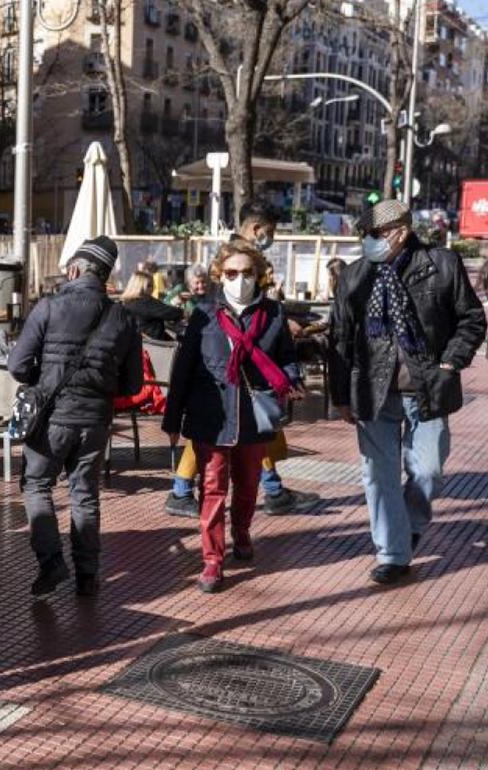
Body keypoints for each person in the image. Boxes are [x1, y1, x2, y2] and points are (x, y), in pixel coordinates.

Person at [328, 199, 485, 584]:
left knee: (428, 470)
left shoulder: (442, 264)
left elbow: (472, 319)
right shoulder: (354, 276)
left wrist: (450, 364)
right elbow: (340, 337)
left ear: (401, 231)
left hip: (427, 388)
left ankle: (408, 526)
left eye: (375, 234)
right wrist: (340, 396)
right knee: (378, 476)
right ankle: (393, 553)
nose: (369, 241)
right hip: (372, 391)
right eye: (365, 235)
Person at [163, 241, 304, 593]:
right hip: (210, 415)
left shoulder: (273, 313)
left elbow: (286, 356)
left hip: (254, 415)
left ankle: (241, 531)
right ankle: (212, 560)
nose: (239, 280)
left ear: (258, 275)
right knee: (212, 489)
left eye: (246, 273)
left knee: (248, 486)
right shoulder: (204, 314)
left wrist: (292, 378)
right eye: (231, 273)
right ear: (219, 275)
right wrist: (172, 419)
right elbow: (183, 370)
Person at [8, 236, 142, 597]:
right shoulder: (125, 318)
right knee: (85, 495)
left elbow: (17, 366)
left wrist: (47, 375)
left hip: (51, 419)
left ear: (75, 269)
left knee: (37, 486)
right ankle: (87, 575)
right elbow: (133, 384)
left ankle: (51, 563)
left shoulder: (49, 307)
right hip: (96, 421)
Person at [120, 270, 183, 341]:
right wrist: (183, 313)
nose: (152, 289)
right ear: (140, 286)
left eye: (153, 285)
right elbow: (170, 313)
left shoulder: (125, 303)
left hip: (136, 343)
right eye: (149, 286)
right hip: (155, 345)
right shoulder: (146, 302)